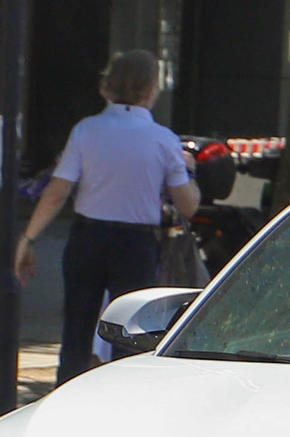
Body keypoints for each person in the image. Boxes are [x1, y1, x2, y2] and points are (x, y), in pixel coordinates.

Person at [18, 49, 200, 383]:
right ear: (150, 89)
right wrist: (188, 172)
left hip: (88, 237)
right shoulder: (163, 140)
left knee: (76, 327)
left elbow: (57, 192)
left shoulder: (86, 131)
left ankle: (68, 392)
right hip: (137, 242)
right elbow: (188, 205)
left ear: (109, 86)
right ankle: (121, 395)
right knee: (130, 332)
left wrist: (28, 238)